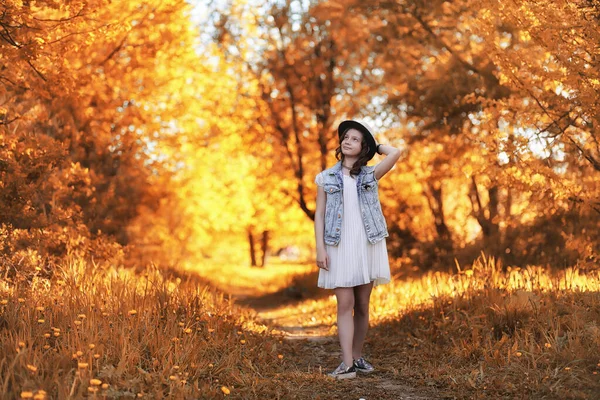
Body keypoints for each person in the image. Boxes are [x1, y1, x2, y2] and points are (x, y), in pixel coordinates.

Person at [314, 120, 401, 380]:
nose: (347, 141)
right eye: (345, 137)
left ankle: (357, 356)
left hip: (367, 244)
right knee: (346, 303)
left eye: (354, 139)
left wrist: (376, 146)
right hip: (338, 245)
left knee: (363, 304)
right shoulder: (325, 177)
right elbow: (319, 215)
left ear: (363, 146)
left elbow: (396, 152)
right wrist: (320, 248)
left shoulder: (369, 174)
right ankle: (347, 363)